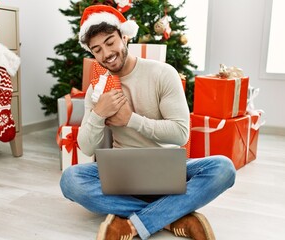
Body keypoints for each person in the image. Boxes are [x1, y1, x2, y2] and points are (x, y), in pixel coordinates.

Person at [60, 5, 236, 240]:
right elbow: (86, 147)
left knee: (223, 168)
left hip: (168, 169)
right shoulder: (97, 89)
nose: (107, 54)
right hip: (123, 174)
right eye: (97, 50)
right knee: (70, 180)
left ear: (124, 36)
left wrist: (130, 120)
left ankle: (133, 223)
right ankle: (171, 216)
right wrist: (98, 113)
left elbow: (181, 133)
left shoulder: (162, 74)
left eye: (110, 42)